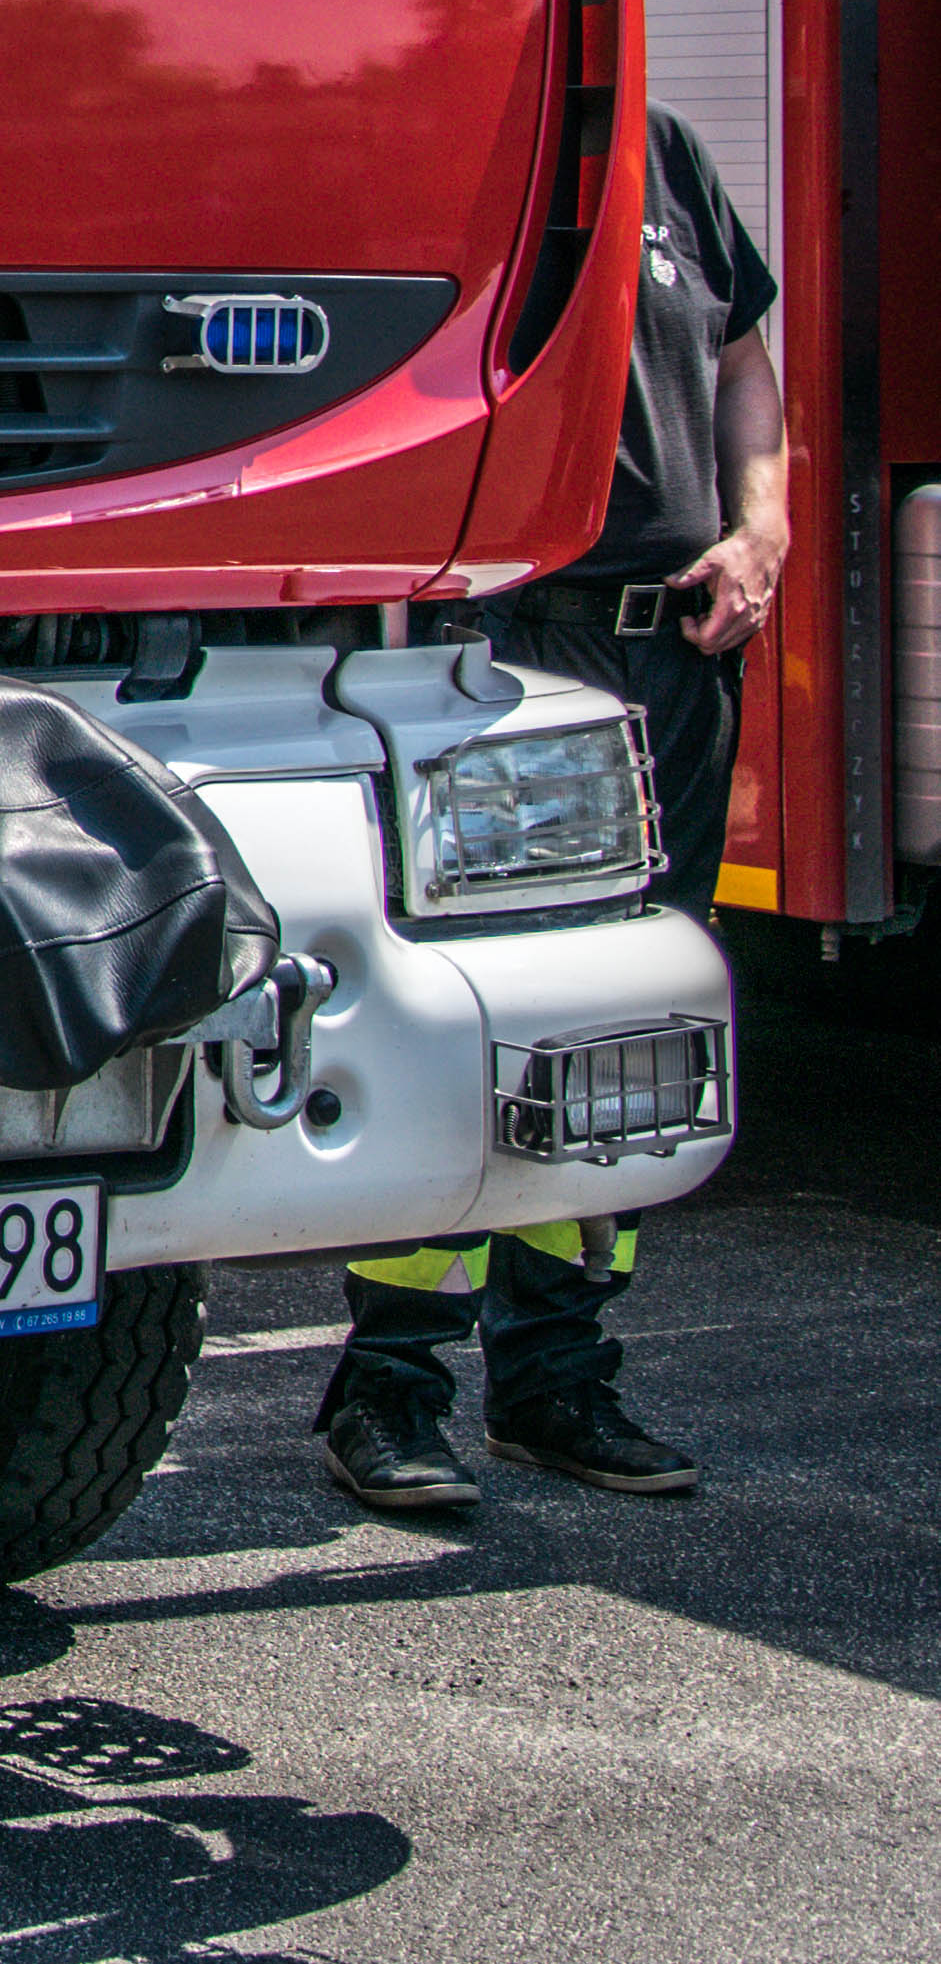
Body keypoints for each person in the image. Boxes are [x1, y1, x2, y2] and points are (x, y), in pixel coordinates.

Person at [318, 102, 785, 1517]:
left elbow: (740, 359)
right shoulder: (443, 137)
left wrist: (759, 526)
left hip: (674, 659)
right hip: (509, 653)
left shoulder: (667, 154)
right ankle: (389, 1388)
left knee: (632, 1022)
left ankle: (555, 1379)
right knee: (475, 1014)